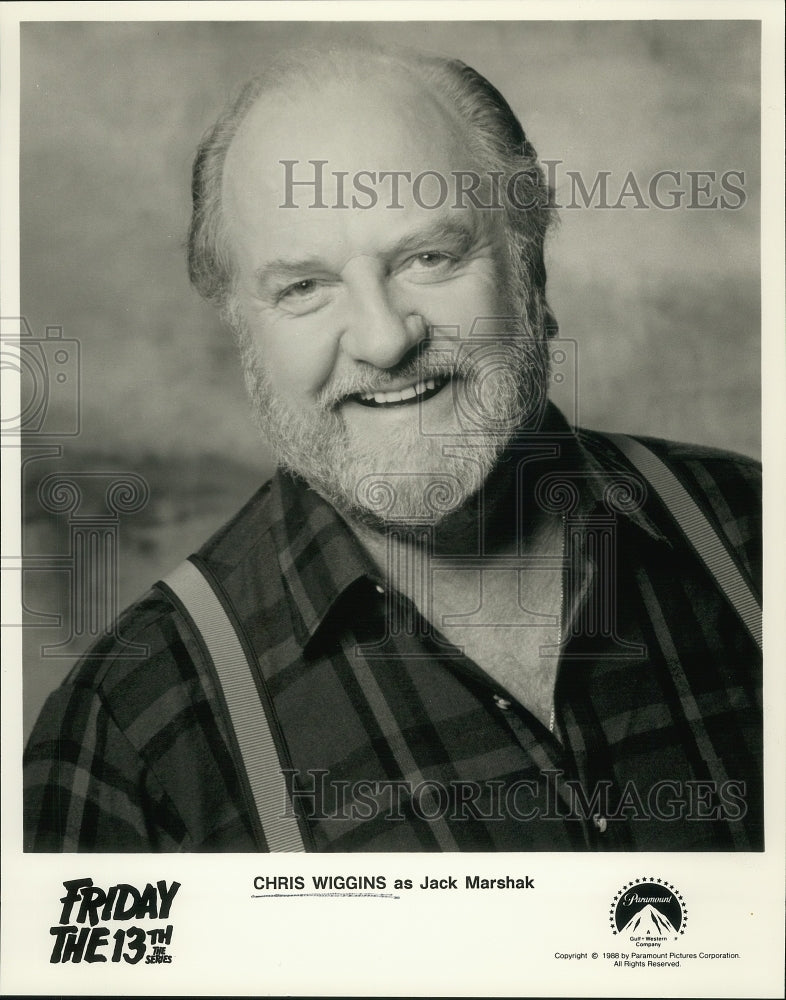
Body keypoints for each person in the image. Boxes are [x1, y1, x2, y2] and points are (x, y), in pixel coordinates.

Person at [24, 46, 762, 852]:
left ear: (532, 270)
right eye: (303, 287)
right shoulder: (128, 735)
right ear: (243, 330)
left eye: (430, 258)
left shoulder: (753, 533)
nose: (383, 340)